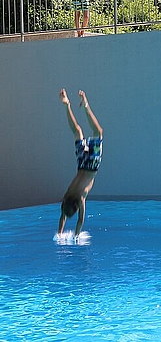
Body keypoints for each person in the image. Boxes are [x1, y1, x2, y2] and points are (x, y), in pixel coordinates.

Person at [58, 89, 103, 237]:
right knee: (78, 132)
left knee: (98, 133)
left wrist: (76, 236)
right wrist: (60, 231)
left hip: (91, 166)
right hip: (82, 163)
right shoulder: (67, 195)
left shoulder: (81, 198)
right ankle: (68, 106)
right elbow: (63, 216)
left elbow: (80, 220)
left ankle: (84, 105)